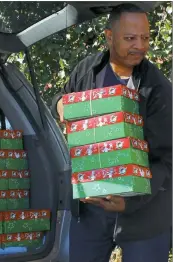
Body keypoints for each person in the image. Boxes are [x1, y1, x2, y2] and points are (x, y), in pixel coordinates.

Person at [50, 4, 172, 262]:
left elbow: (168, 160)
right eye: (130, 38)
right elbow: (62, 96)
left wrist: (131, 202)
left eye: (145, 38)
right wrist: (60, 103)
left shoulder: (158, 89)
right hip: (91, 209)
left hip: (144, 213)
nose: (140, 45)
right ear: (109, 36)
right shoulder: (87, 70)